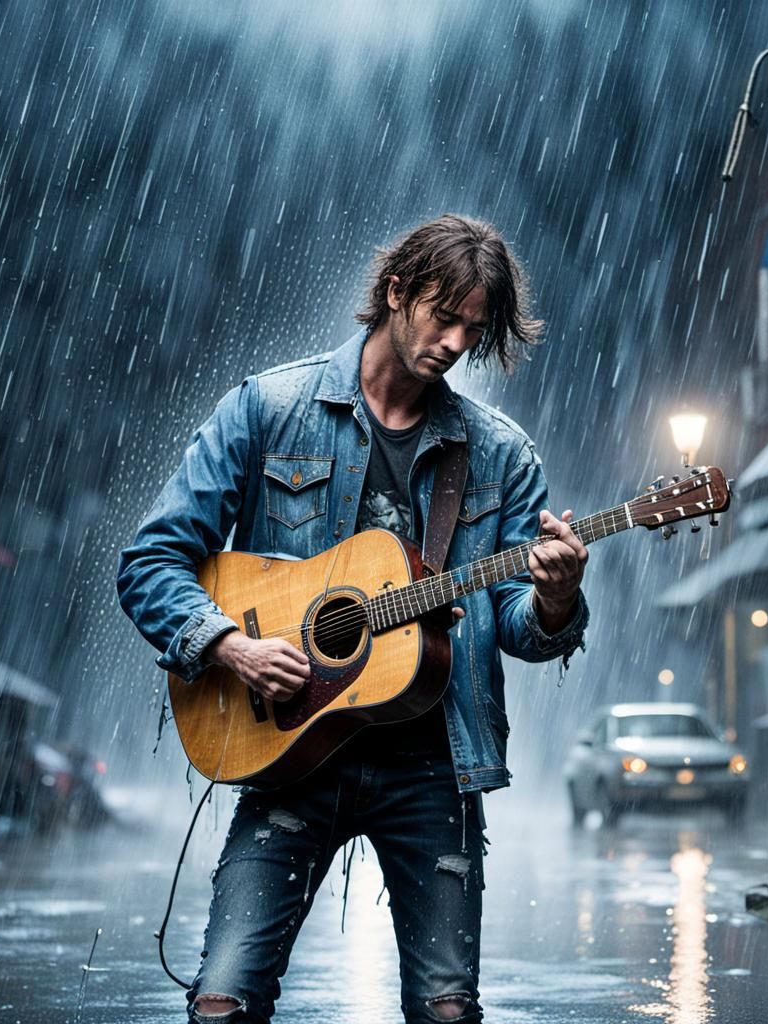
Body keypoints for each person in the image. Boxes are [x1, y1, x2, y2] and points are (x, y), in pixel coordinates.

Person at [117, 214, 589, 1024]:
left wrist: (555, 596)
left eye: (472, 331)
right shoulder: (267, 408)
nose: (452, 343)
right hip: (293, 752)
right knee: (222, 1004)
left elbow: (517, 622)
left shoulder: (502, 454)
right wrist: (230, 646)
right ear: (395, 292)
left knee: (447, 1011)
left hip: (436, 764)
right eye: (443, 316)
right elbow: (150, 561)